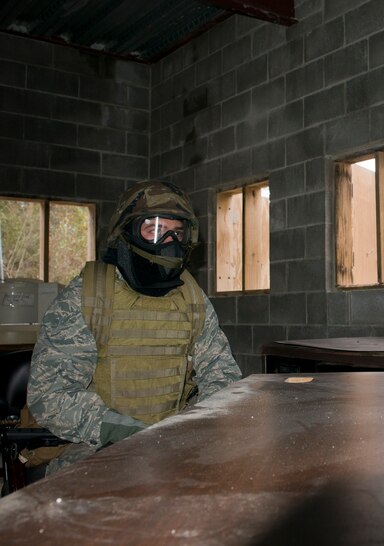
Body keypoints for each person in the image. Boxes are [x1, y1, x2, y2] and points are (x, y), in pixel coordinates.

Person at [27, 180, 242, 474]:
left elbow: (224, 377)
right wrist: (126, 432)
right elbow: (50, 395)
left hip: (173, 443)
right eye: (154, 229)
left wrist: (190, 428)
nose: (169, 241)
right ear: (126, 231)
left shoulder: (191, 298)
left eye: (177, 232)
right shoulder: (90, 297)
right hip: (98, 444)